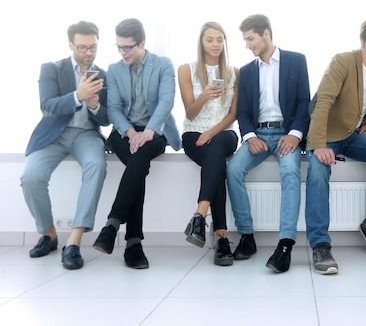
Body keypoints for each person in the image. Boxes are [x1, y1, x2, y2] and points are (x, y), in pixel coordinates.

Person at [305, 17, 366, 275]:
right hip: (328, 136)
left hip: (353, 136)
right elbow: (322, 101)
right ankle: (320, 244)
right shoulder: (343, 61)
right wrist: (318, 145)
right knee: (317, 169)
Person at [93, 18, 181, 269]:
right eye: (119, 47)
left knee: (138, 161)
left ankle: (112, 226)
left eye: (128, 47)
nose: (123, 53)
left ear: (142, 43)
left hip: (156, 130)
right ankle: (133, 244)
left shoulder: (163, 65)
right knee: (138, 165)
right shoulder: (115, 69)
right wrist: (131, 133)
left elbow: (166, 102)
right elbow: (113, 108)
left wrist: (149, 131)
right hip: (125, 132)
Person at [226, 14, 310, 273]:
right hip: (259, 135)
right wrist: (250, 137)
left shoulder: (296, 61)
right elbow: (242, 112)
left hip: (287, 133)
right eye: (245, 40)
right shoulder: (248, 71)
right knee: (232, 170)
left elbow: (304, 102)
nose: (247, 45)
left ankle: (285, 244)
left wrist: (295, 134)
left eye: (250, 38)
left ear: (265, 34)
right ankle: (247, 236)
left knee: (290, 173)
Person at [20, 21, 108, 270]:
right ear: (70, 45)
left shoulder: (104, 75)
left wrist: (94, 105)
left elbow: (106, 119)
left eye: (93, 47)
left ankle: (74, 241)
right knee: (31, 176)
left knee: (97, 166)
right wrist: (78, 95)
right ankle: (48, 234)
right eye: (82, 47)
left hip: (86, 135)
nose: (88, 53)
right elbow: (47, 105)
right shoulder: (52, 69)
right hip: (54, 135)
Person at [179, 22, 239, 266]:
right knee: (217, 166)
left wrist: (213, 131)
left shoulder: (235, 72)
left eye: (220, 39)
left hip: (223, 133)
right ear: (201, 43)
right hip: (194, 134)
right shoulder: (186, 70)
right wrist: (204, 95)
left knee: (216, 148)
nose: (215, 44)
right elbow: (191, 114)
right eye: (210, 39)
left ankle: (199, 216)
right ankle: (221, 238)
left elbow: (233, 114)